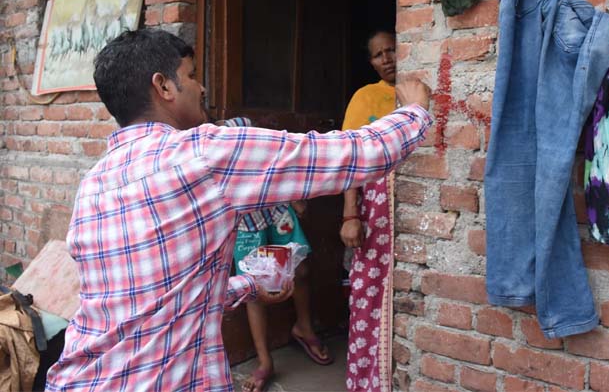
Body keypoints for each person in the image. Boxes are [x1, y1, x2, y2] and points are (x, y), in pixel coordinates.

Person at [45, 28, 431, 392]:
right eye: (191, 75)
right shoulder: (203, 153)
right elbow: (347, 155)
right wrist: (413, 111)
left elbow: (152, 299)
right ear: (163, 86)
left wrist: (248, 285)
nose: (202, 87)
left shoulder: (95, 181)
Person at [220, 118, 332, 392]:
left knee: (300, 269)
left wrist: (294, 195)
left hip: (276, 209)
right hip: (245, 222)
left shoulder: (246, 132)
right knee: (253, 287)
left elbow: (277, 164)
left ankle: (304, 327)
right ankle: (265, 361)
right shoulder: (213, 147)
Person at [339, 30, 399, 391]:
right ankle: (366, 381)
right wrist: (351, 215)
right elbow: (351, 160)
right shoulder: (365, 98)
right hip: (374, 211)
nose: (387, 59)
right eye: (378, 54)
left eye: (392, 50)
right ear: (372, 62)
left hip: (406, 210)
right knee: (368, 294)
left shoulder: (415, 93)